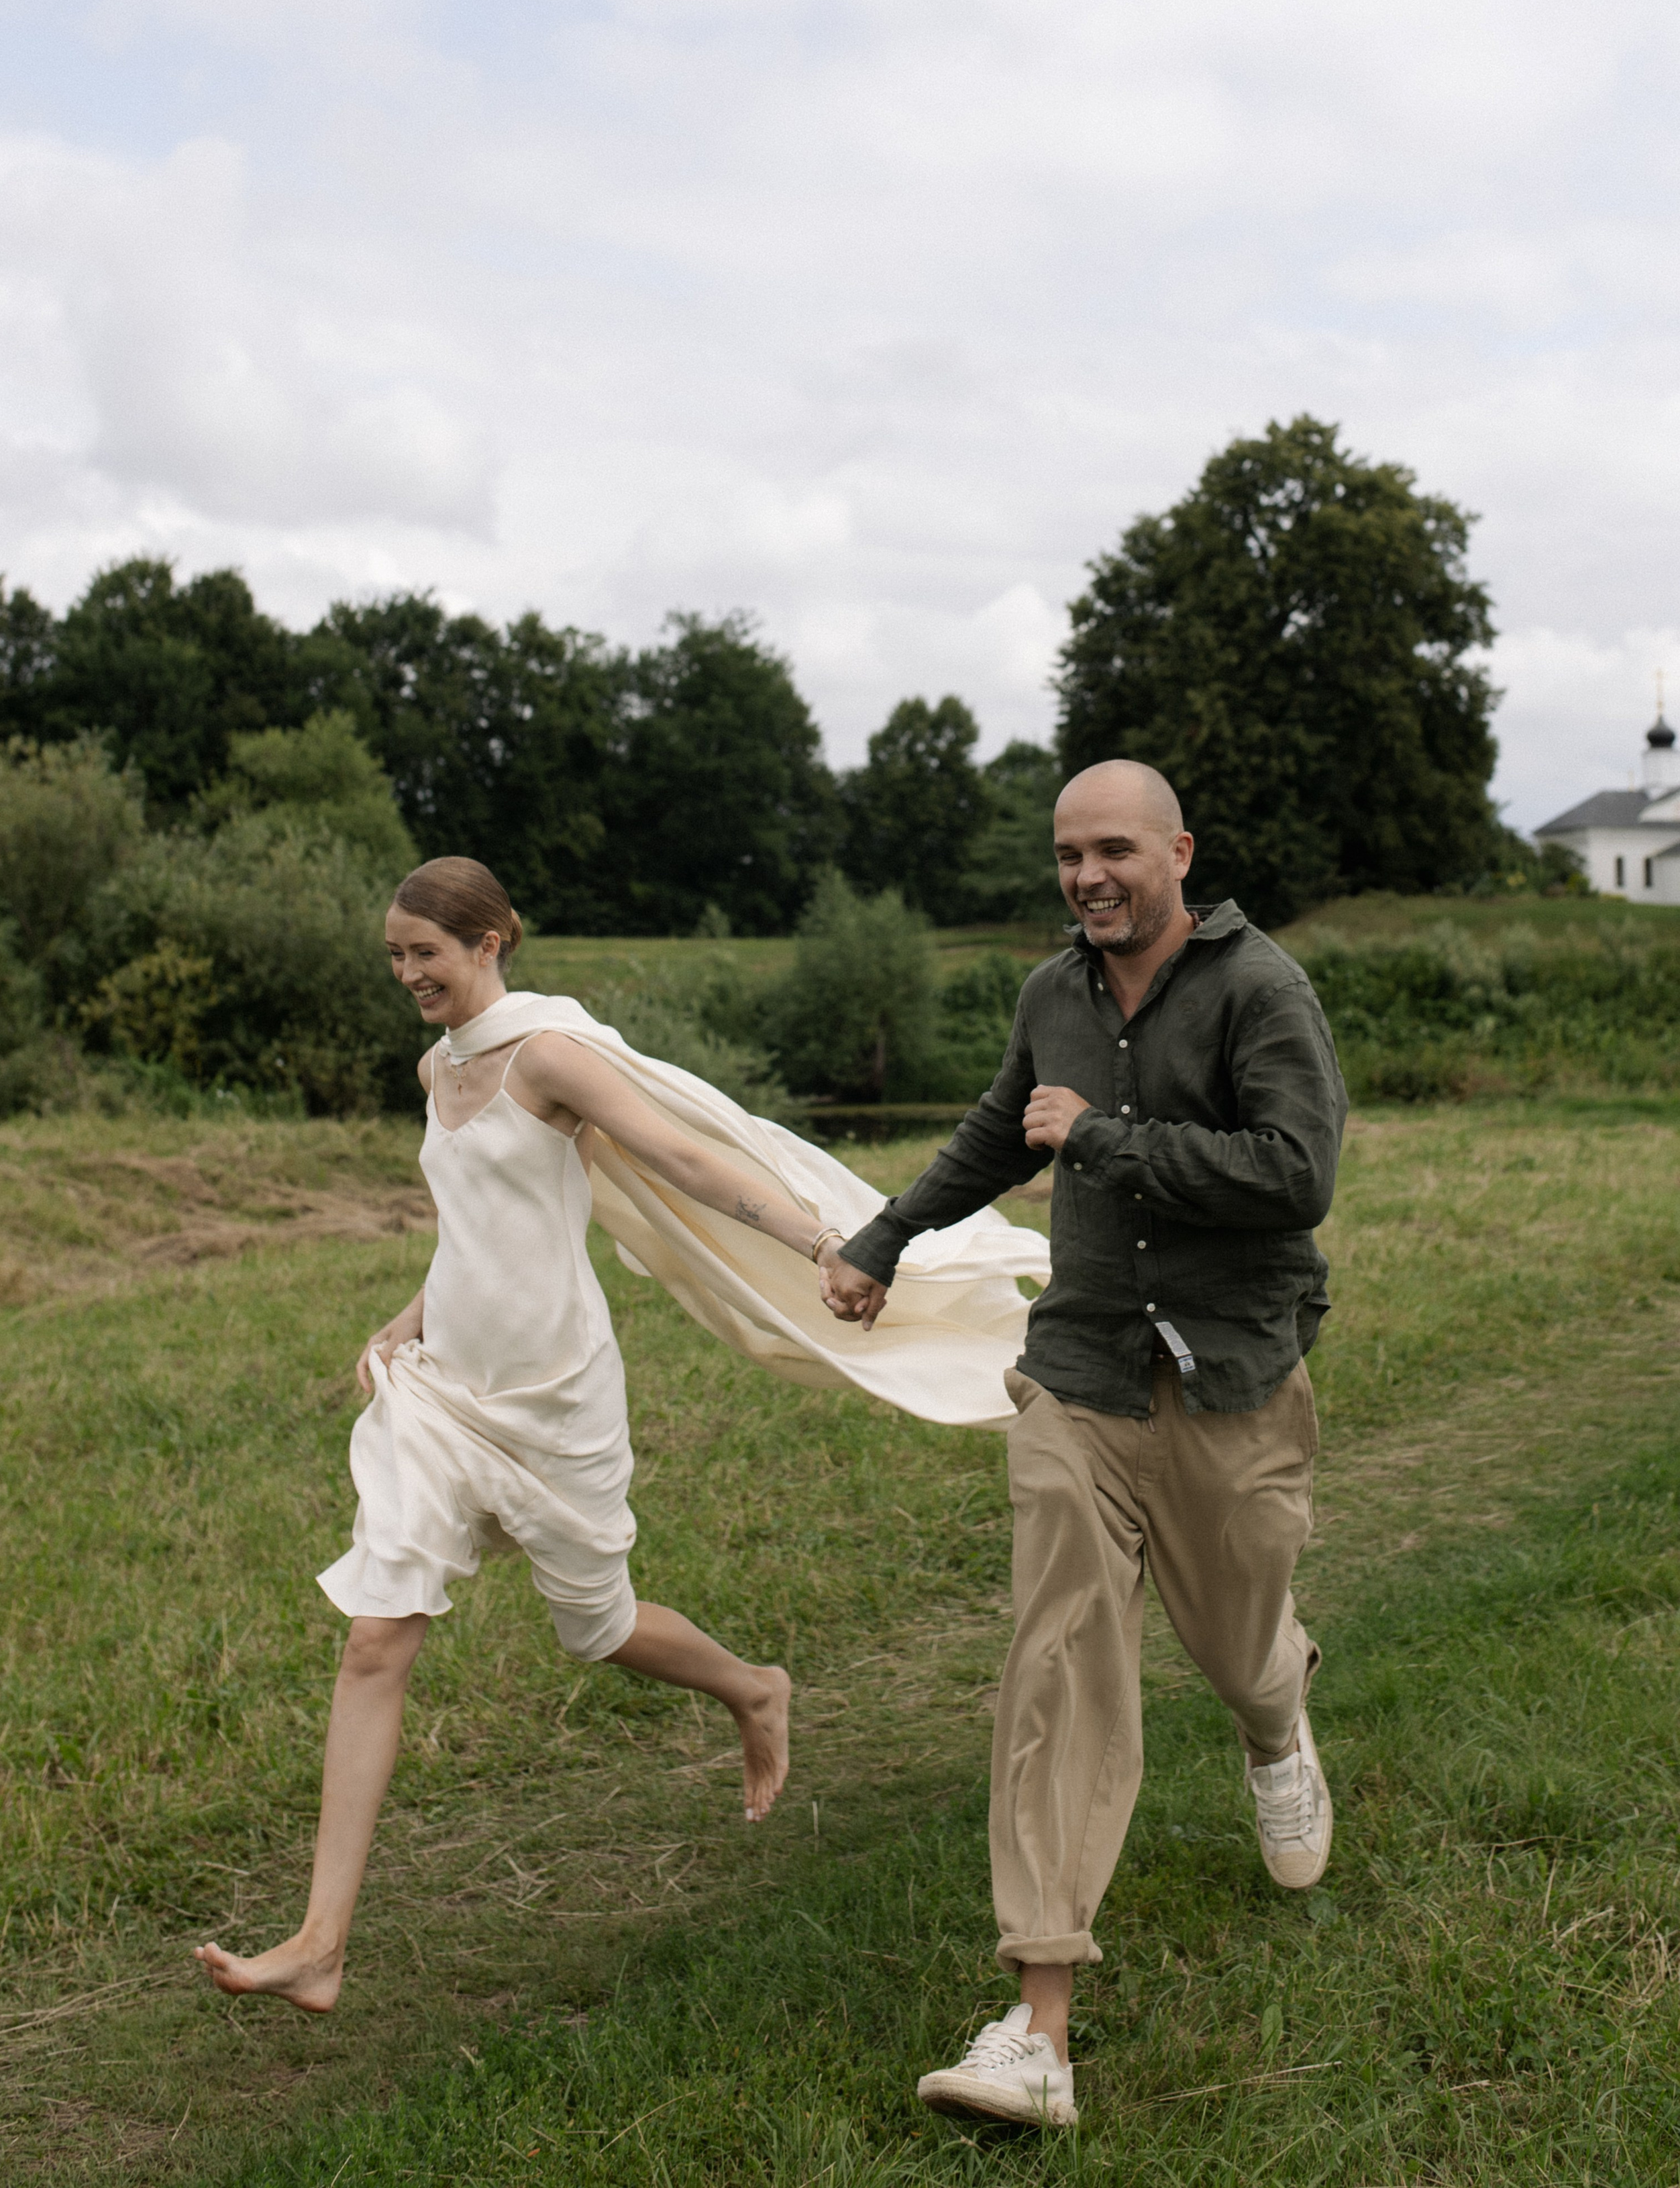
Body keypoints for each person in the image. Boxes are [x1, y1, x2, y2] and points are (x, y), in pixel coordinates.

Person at [196, 856, 853, 2014]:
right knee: (374, 1636)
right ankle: (320, 1941)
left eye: (426, 953)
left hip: (556, 1397)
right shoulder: (432, 1066)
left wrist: (818, 1243)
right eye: (395, 956)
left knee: (596, 1630)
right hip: (443, 1389)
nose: (408, 973)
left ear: (492, 940)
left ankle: (754, 1689)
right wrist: (407, 1316)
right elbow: (470, 1226)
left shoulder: (547, 1056)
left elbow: (682, 1157)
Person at [822, 760, 1348, 2130]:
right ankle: (1035, 2023)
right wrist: (882, 1237)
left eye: (1111, 849)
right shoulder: (1050, 994)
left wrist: (1110, 1144)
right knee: (1059, 1655)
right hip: (1080, 1374)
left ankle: (1274, 1719)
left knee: (1234, 1641)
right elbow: (1005, 1130)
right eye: (1066, 854)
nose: (1085, 876)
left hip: (1230, 1376)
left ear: (1177, 849)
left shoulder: (1258, 991)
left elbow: (1297, 1177)